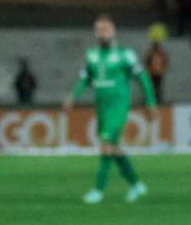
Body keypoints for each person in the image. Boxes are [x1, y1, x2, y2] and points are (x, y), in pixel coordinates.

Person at [64, 15, 156, 204]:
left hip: (118, 106)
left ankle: (98, 190)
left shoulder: (125, 55)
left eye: (105, 29)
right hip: (102, 107)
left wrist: (150, 103)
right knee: (113, 148)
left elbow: (143, 78)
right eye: (98, 29)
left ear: (113, 32)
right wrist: (73, 96)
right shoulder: (91, 55)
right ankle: (136, 184)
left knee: (106, 145)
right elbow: (84, 79)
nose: (102, 33)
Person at [143, 23, 169, 104]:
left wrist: (163, 69)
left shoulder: (162, 53)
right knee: (152, 88)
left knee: (158, 88)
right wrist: (148, 70)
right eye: (155, 45)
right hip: (152, 73)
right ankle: (151, 101)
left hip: (159, 73)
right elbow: (146, 62)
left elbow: (165, 62)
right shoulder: (151, 53)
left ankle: (158, 101)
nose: (157, 46)